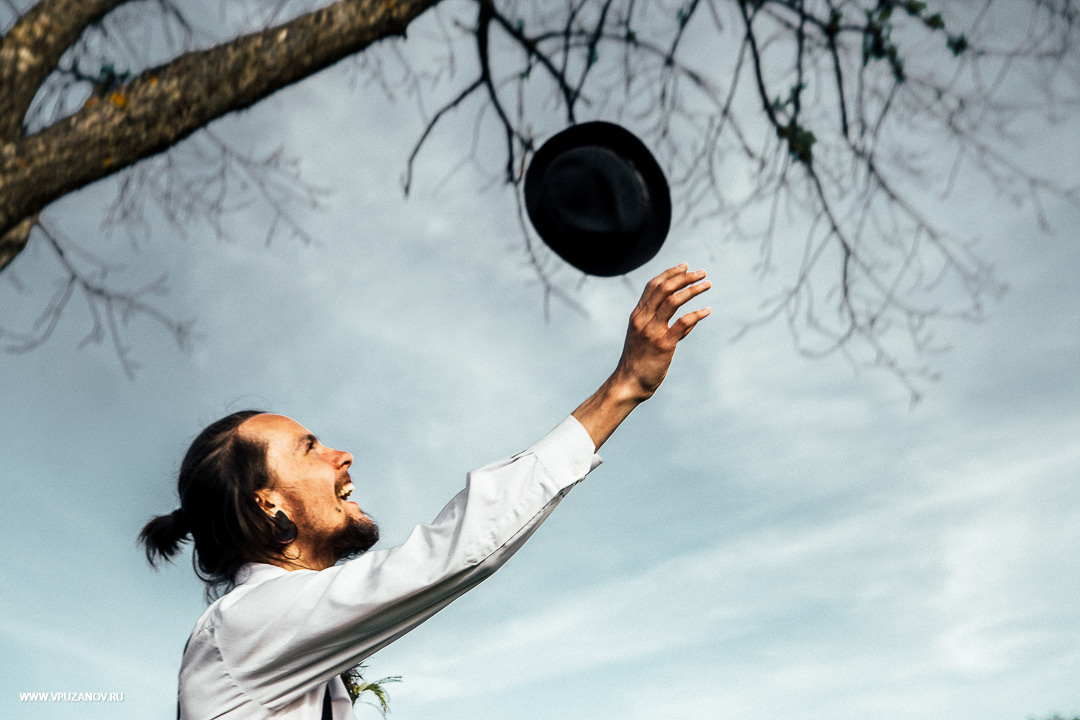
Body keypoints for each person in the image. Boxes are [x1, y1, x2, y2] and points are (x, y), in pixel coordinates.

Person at [140, 264, 711, 720]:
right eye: (309, 447)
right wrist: (622, 389)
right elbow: (449, 553)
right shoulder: (246, 624)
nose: (342, 456)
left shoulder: (285, 647)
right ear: (269, 504)